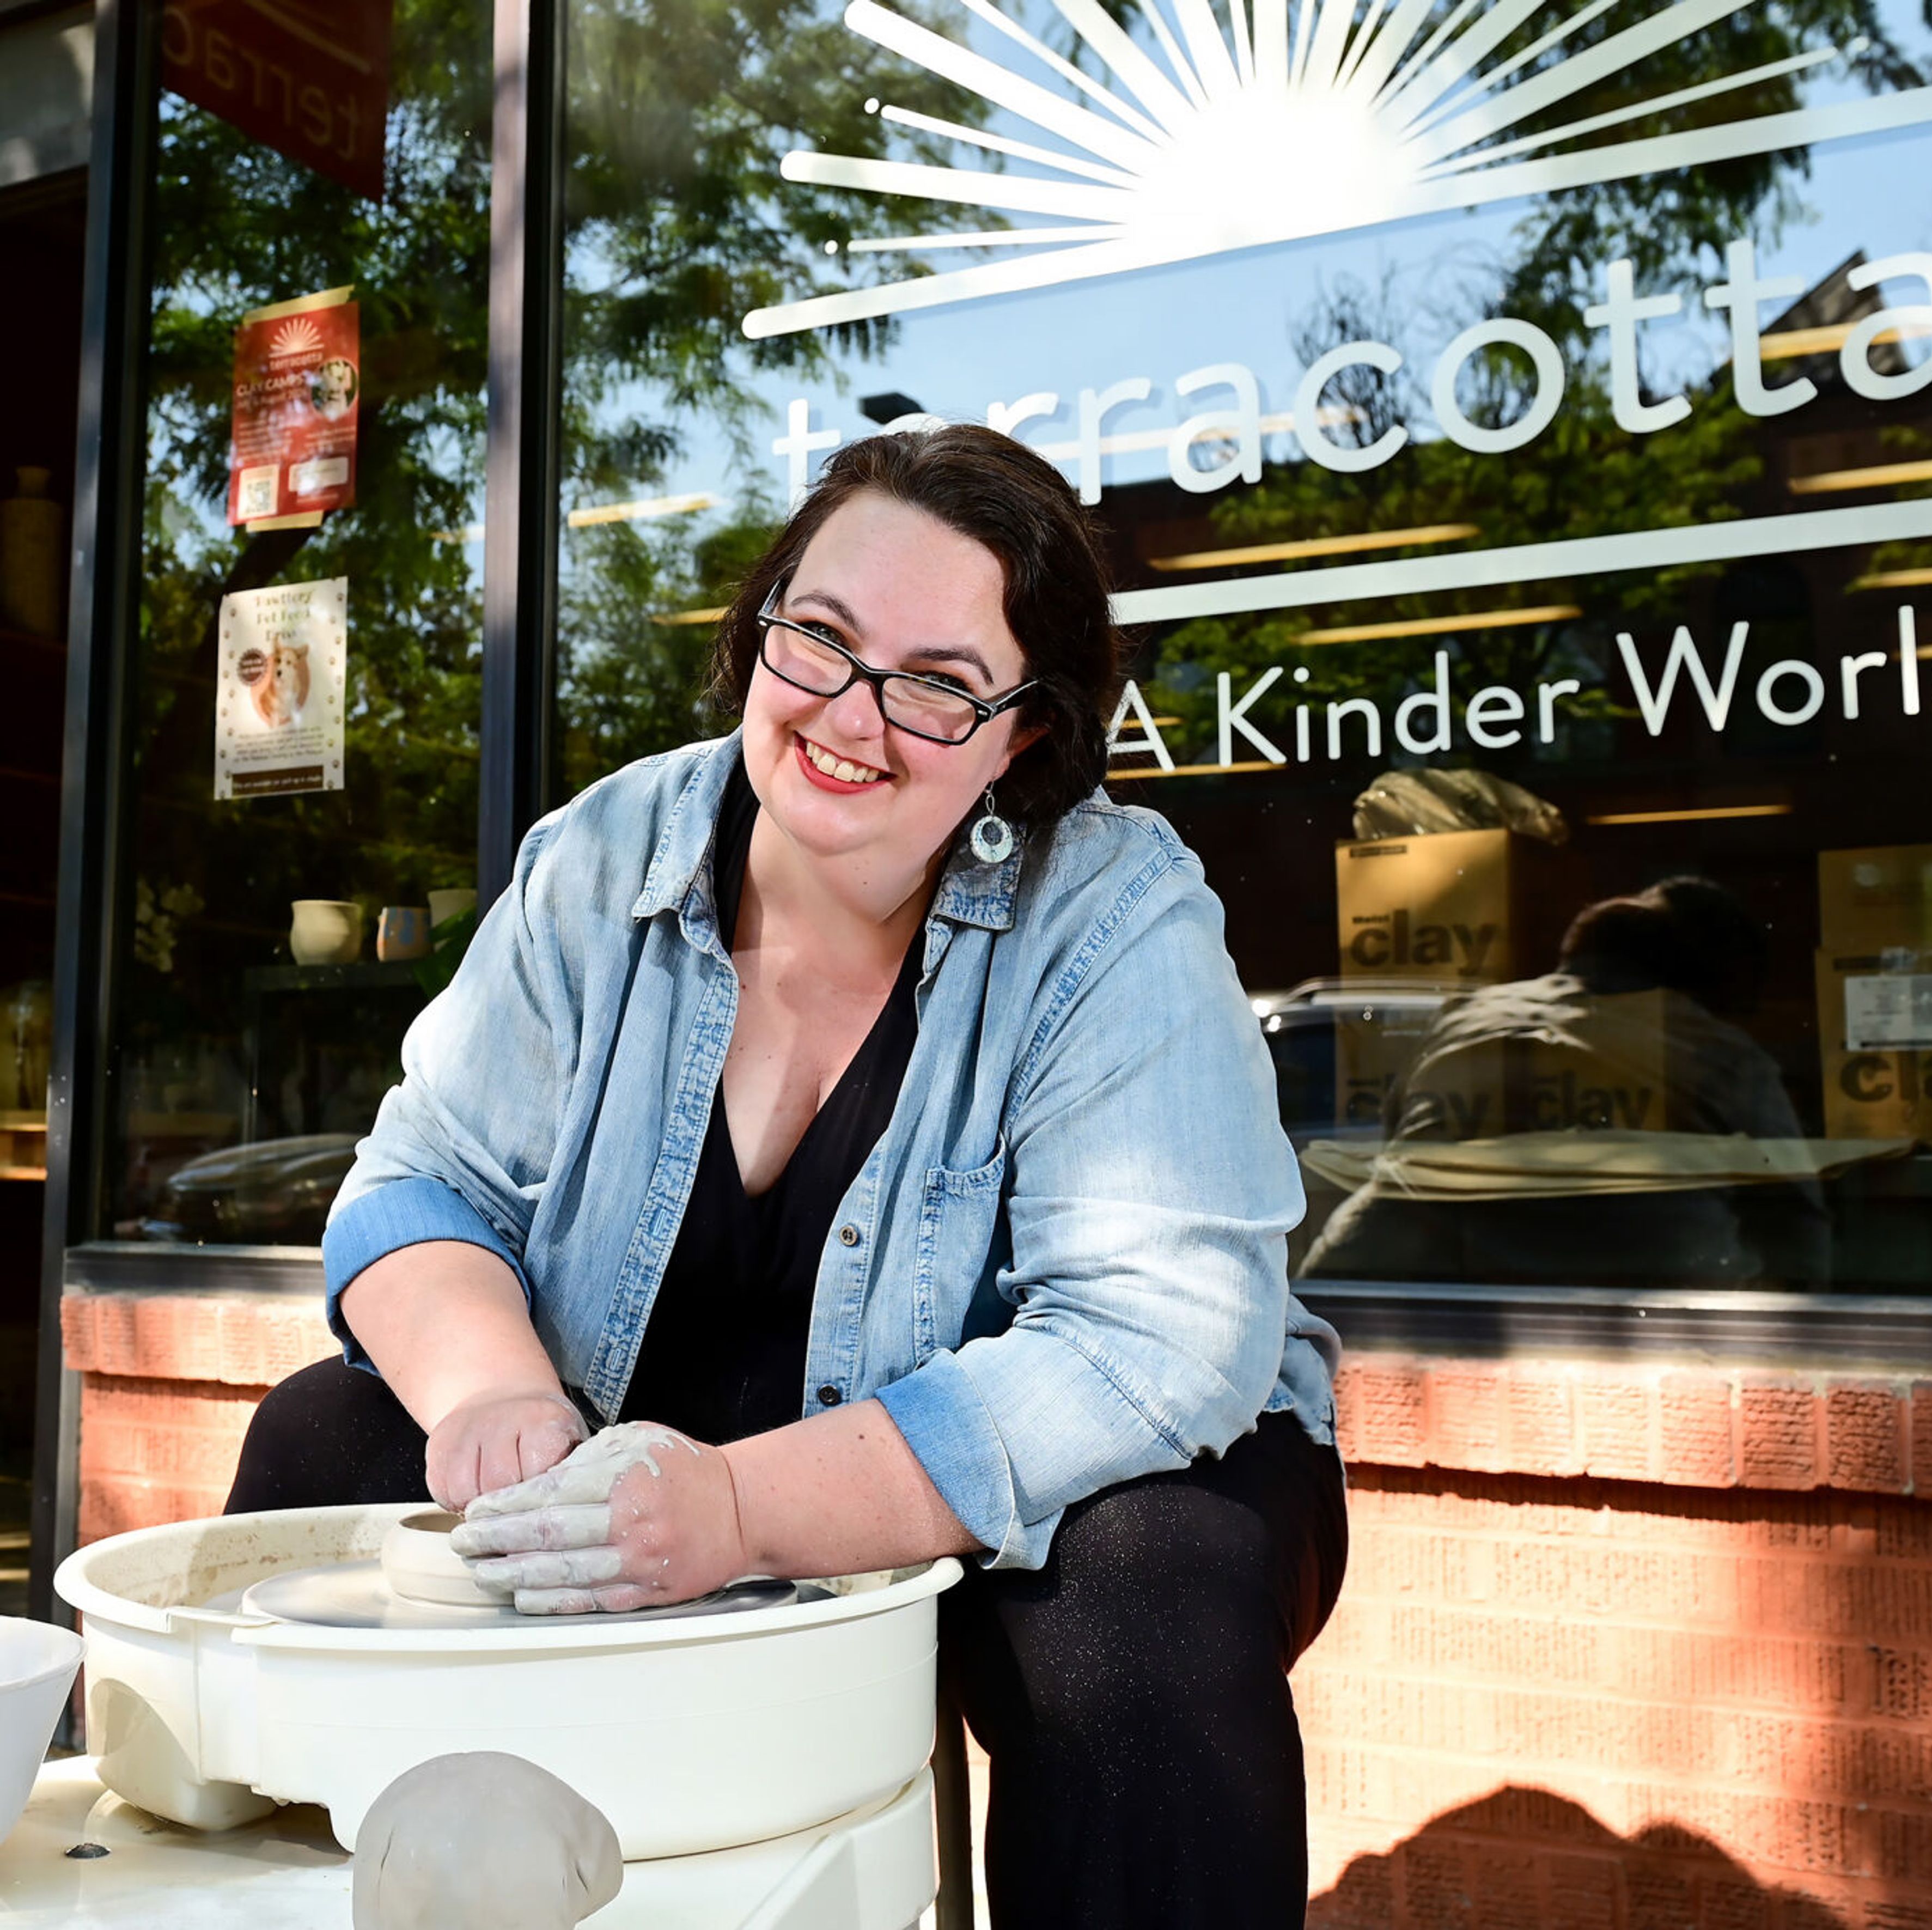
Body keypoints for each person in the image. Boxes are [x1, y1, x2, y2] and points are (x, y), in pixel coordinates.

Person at [227, 424, 1346, 1929]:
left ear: (1024, 732)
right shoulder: (601, 853)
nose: (852, 715)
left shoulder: (1114, 908)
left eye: (940, 683)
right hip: (652, 1443)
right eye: (819, 637)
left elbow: (1158, 1338)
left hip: (1059, 1468)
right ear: (761, 629)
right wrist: (496, 1393)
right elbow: (423, 1179)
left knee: (1141, 1595)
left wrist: (745, 1507)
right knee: (324, 1434)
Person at [1301, 875, 1830, 1286]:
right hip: (1655, 1312)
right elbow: (1797, 1226)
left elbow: (1396, 1146)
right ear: (1703, 985)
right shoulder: (1718, 1050)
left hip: (1409, 1291)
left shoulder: (1466, 1017)